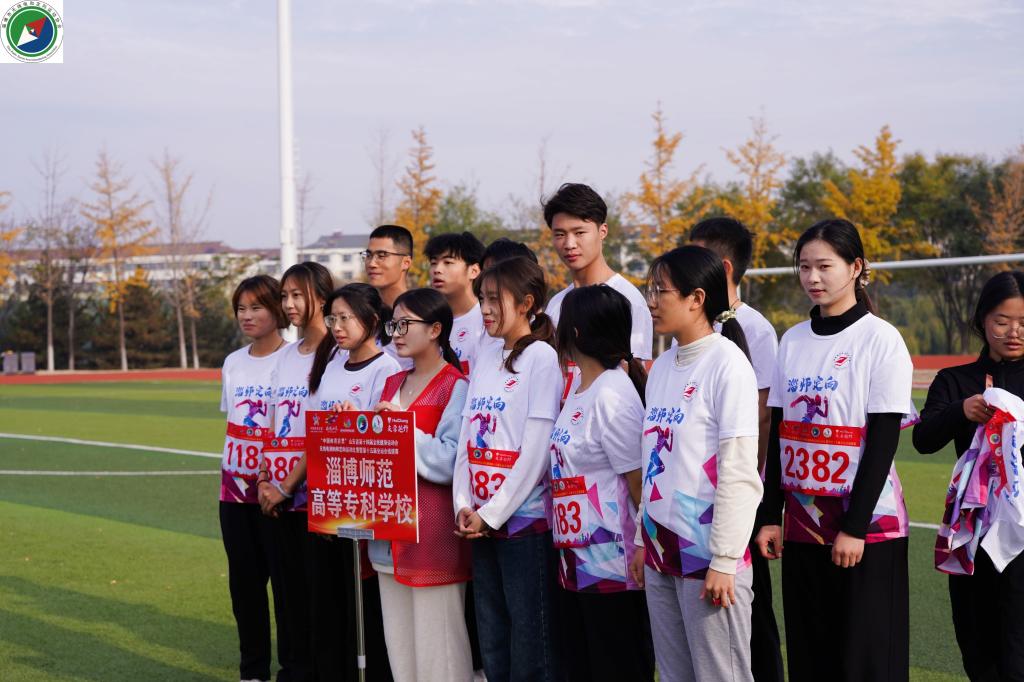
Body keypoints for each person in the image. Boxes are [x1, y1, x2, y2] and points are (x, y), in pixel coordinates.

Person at [755, 219, 914, 682]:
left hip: (867, 528)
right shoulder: (792, 340)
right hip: (804, 524)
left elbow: (883, 440)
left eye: (825, 266)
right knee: (812, 655)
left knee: (865, 662)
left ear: (856, 267)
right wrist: (771, 515)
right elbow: (779, 434)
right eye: (804, 267)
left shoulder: (880, 338)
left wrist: (855, 527)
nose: (813, 278)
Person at [629, 246, 763, 682]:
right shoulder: (663, 366)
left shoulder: (728, 365)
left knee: (721, 675)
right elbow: (655, 461)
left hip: (707, 556)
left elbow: (739, 471)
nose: (651, 301)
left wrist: (724, 559)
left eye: (660, 291)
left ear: (697, 298)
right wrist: (641, 538)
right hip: (660, 550)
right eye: (650, 291)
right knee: (673, 675)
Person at [452, 256, 564, 682]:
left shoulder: (541, 358)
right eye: (482, 299)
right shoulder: (486, 356)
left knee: (530, 640)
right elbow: (467, 437)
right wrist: (463, 505)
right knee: (493, 636)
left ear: (527, 303)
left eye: (495, 299)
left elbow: (535, 451)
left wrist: (492, 513)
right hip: (479, 522)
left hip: (523, 526)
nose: (485, 309)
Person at [913, 270, 1024, 680]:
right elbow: (923, 439)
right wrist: (961, 411)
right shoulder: (955, 381)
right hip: (972, 532)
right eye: (1002, 321)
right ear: (981, 321)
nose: (1014, 332)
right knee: (978, 647)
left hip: (1022, 535)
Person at [689, 217, 783, 682]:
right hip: (696, 501)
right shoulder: (694, 325)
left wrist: (752, 494)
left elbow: (762, 417)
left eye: (697, 255)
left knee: (750, 607)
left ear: (723, 267)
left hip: (738, 493)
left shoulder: (754, 329)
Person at [368, 288, 475, 682]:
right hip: (388, 533)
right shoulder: (391, 383)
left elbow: (449, 460)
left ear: (435, 330)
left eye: (405, 324)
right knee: (400, 652)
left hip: (433, 537)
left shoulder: (455, 385)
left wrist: (401, 426)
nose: (396, 333)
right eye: (393, 325)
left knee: (440, 652)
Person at [550, 284, 654, 682]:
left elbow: (639, 483)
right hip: (576, 560)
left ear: (575, 333)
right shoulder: (582, 388)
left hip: (612, 567)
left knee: (616, 665)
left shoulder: (612, 394)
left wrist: (643, 546)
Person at [298, 282, 398, 681]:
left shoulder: (387, 368)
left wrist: (356, 419)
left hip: (363, 506)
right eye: (333, 318)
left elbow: (386, 439)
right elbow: (314, 428)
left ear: (372, 321)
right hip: (325, 498)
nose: (337, 327)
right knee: (329, 602)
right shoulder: (332, 364)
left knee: (365, 605)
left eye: (346, 318)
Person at [255, 262, 333, 682]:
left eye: (297, 295)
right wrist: (265, 480)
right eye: (284, 296)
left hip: (312, 499)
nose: (288, 304)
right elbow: (271, 422)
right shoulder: (285, 356)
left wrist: (286, 486)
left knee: (317, 597)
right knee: (285, 598)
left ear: (322, 296)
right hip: (278, 497)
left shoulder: (336, 355)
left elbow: (321, 433)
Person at [219, 275, 291, 682]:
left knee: (285, 587)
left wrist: (277, 482)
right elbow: (232, 421)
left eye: (256, 307)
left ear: (277, 310)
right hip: (233, 491)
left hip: (279, 491)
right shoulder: (233, 362)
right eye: (241, 308)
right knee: (244, 587)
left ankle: (293, 669)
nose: (247, 316)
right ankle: (253, 670)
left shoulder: (293, 360)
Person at [542, 183, 653, 363]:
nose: (569, 244)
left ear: (602, 231)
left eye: (579, 232)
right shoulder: (556, 305)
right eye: (560, 234)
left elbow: (634, 373)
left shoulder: (627, 300)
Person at [425, 231, 500, 375]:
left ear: (474, 271)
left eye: (448, 262)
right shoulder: (425, 321)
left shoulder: (489, 320)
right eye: (433, 263)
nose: (437, 270)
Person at [363, 224, 414, 370]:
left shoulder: (419, 316)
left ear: (406, 262)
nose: (372, 263)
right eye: (368, 255)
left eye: (382, 256)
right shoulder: (364, 316)